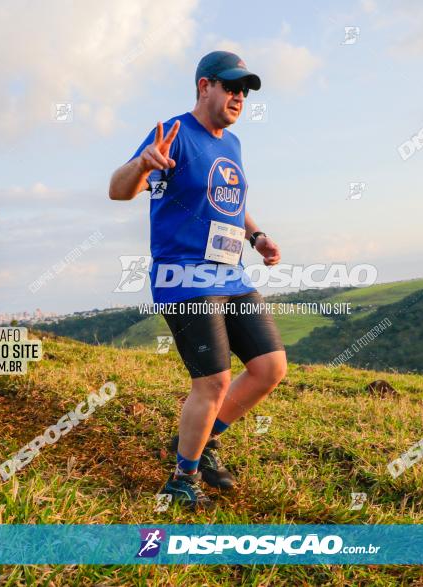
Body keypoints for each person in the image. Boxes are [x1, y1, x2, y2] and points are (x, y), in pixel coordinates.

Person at [109, 51, 287, 509]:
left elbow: (230, 203)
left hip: (230, 274)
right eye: (230, 87)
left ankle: (203, 441)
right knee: (213, 381)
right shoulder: (173, 134)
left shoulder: (233, 144)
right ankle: (181, 479)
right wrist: (144, 164)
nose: (238, 97)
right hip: (184, 276)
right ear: (204, 86)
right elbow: (118, 189)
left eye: (244, 91)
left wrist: (258, 235)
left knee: (270, 368)